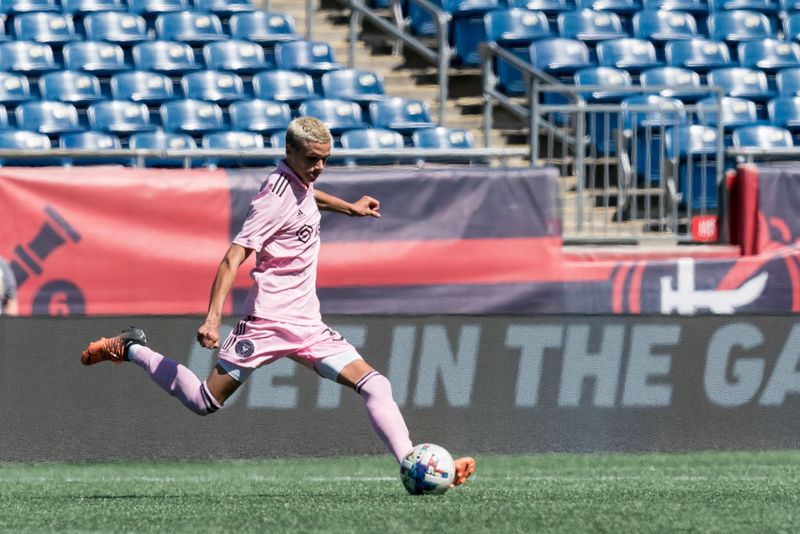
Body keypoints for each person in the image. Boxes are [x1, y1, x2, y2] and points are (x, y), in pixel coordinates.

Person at [81, 116, 475, 488]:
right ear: (289, 151)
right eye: (312, 159)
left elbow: (308, 198)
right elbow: (233, 257)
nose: (319, 166)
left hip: (308, 325)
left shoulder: (300, 181)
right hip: (266, 323)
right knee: (204, 402)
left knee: (376, 385)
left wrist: (349, 208)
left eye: (325, 159)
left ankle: (412, 463)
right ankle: (131, 347)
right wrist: (213, 319)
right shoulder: (272, 197)